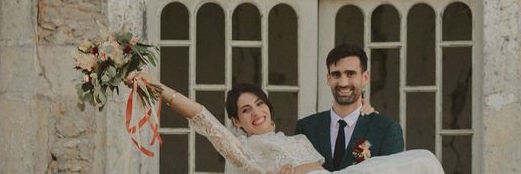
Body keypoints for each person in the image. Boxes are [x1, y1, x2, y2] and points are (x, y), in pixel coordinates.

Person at [127, 72, 444, 174]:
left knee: (423, 161)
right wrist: (158, 90)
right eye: (246, 110)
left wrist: (364, 112)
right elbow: (200, 116)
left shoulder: (295, 136)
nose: (256, 113)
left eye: (259, 104)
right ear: (237, 122)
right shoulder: (244, 150)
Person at [295, 44, 404, 171]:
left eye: (350, 74)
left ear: (365, 78)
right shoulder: (306, 128)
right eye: (336, 75)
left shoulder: (386, 130)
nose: (343, 83)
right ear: (328, 78)